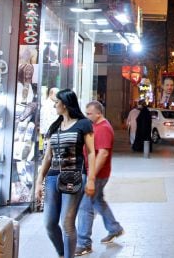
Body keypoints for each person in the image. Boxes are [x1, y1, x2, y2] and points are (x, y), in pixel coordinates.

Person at [34, 89, 96, 258]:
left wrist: (91, 179)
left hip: (75, 175)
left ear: (65, 104)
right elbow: (48, 156)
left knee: (67, 223)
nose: (54, 105)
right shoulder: (54, 126)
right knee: (49, 223)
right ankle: (62, 253)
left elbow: (91, 152)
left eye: (56, 102)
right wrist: (39, 181)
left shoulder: (83, 124)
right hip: (53, 176)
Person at [75, 101, 124, 255]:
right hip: (96, 173)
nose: (87, 115)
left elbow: (103, 153)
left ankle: (84, 243)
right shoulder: (96, 126)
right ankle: (114, 228)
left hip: (97, 175)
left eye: (89, 113)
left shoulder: (103, 129)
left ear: (98, 113)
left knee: (85, 207)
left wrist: (91, 176)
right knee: (97, 201)